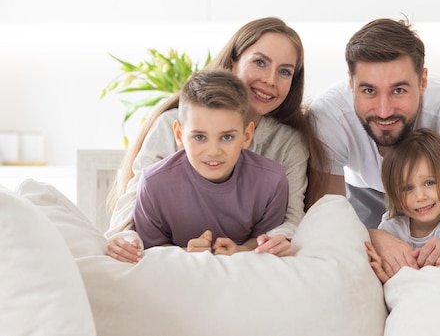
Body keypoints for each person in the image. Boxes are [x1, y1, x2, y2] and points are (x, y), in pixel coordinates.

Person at [306, 17, 440, 278]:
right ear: (350, 83)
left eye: (399, 90)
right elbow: (324, 224)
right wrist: (375, 235)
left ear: (423, 81)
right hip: (361, 193)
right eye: (369, 90)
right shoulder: (329, 116)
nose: (384, 111)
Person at [106, 17, 327, 263]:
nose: (270, 80)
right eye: (260, 62)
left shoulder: (288, 143)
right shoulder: (170, 126)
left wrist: (267, 244)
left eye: (284, 71)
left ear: (247, 136)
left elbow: (290, 220)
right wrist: (126, 239)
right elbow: (133, 203)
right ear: (232, 63)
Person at [134, 70, 289, 254]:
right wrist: (184, 253)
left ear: (246, 136)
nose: (213, 151)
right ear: (179, 134)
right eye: (199, 137)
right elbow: (150, 252)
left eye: (227, 137)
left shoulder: (272, 182)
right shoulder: (153, 185)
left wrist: (241, 250)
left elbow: (264, 242)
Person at [364, 128, 440, 283]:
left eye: (429, 183)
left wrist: (405, 270)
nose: (420, 197)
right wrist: (385, 278)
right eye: (407, 188)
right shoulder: (392, 227)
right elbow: (393, 273)